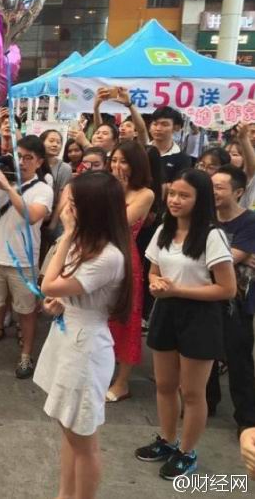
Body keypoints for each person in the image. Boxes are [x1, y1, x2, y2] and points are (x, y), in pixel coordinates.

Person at [35, 171, 132, 499]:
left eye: (73, 204)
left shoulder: (108, 255)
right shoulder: (87, 243)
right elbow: (61, 290)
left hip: (85, 351)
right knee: (69, 431)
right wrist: (60, 304)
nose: (66, 208)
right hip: (68, 338)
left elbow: (49, 283)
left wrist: (67, 235)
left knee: (84, 443)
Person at [135, 169, 236, 480]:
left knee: (192, 392)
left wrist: (177, 290)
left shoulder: (212, 235)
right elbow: (153, 270)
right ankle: (167, 440)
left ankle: (187, 451)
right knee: (164, 385)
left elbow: (227, 289)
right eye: (173, 194)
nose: (175, 200)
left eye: (184, 195)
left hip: (200, 317)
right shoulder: (164, 229)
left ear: (199, 199)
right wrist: (155, 284)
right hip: (166, 311)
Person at [0, 135, 53, 380]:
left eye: (29, 158)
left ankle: (26, 356)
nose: (22, 162)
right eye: (19, 157)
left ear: (39, 162)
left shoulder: (43, 189)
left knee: (26, 312)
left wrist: (7, 188)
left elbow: (32, 216)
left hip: (24, 262)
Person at [206, 165, 255, 432]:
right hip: (205, 296)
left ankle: (247, 420)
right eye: (210, 186)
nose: (213, 192)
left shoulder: (249, 222)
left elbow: (225, 259)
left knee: (239, 360)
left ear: (238, 192)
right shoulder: (205, 218)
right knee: (205, 353)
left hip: (237, 302)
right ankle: (207, 403)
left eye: (219, 187)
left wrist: (236, 256)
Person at [106, 141, 155, 403]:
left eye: (123, 161)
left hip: (126, 261)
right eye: (114, 160)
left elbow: (118, 223)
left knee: (127, 320)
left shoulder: (145, 194)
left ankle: (122, 381)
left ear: (136, 165)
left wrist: (118, 191)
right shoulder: (106, 187)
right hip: (99, 256)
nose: (117, 166)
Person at [148, 107, 192, 194]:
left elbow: (178, 186)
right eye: (155, 124)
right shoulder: (141, 151)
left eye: (164, 124)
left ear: (176, 127)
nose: (158, 128)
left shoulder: (183, 158)